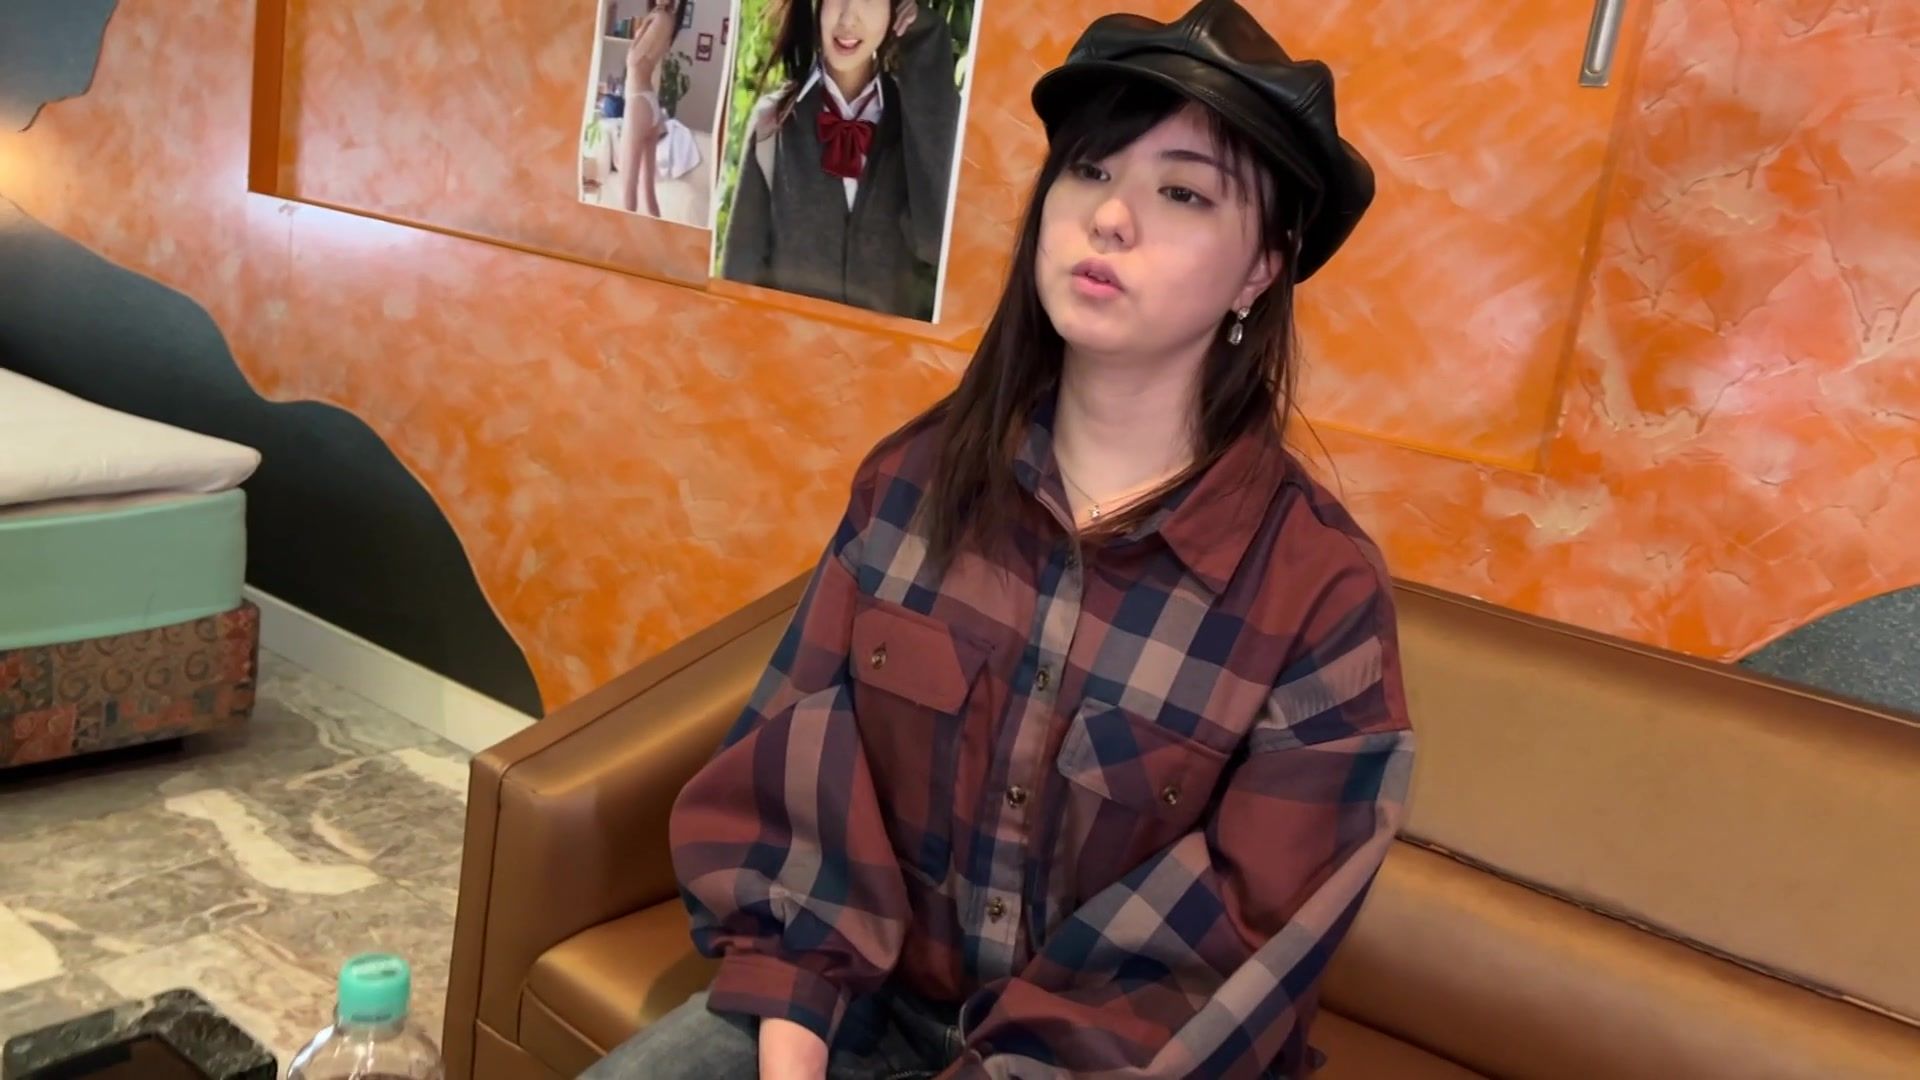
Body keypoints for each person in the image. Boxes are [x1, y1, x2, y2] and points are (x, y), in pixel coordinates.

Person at [585, 1, 1414, 1076]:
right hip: (865, 1016)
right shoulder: (915, 482)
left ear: (1262, 267)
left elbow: (1217, 963)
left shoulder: (1319, 596)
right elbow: (800, 774)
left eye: (1182, 192)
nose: (1110, 217)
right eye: (1090, 171)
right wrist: (792, 1051)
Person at [719, 0, 962, 320]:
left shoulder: (913, 124)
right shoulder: (772, 124)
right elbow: (739, 273)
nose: (848, 18)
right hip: (785, 344)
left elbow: (936, 241)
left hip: (885, 349)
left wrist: (925, 39)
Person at [618, 0, 680, 217]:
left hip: (639, 103)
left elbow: (633, 59)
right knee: (648, 193)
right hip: (648, 102)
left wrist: (644, 25)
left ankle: (624, 235)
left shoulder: (660, 18)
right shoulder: (667, 18)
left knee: (628, 189)